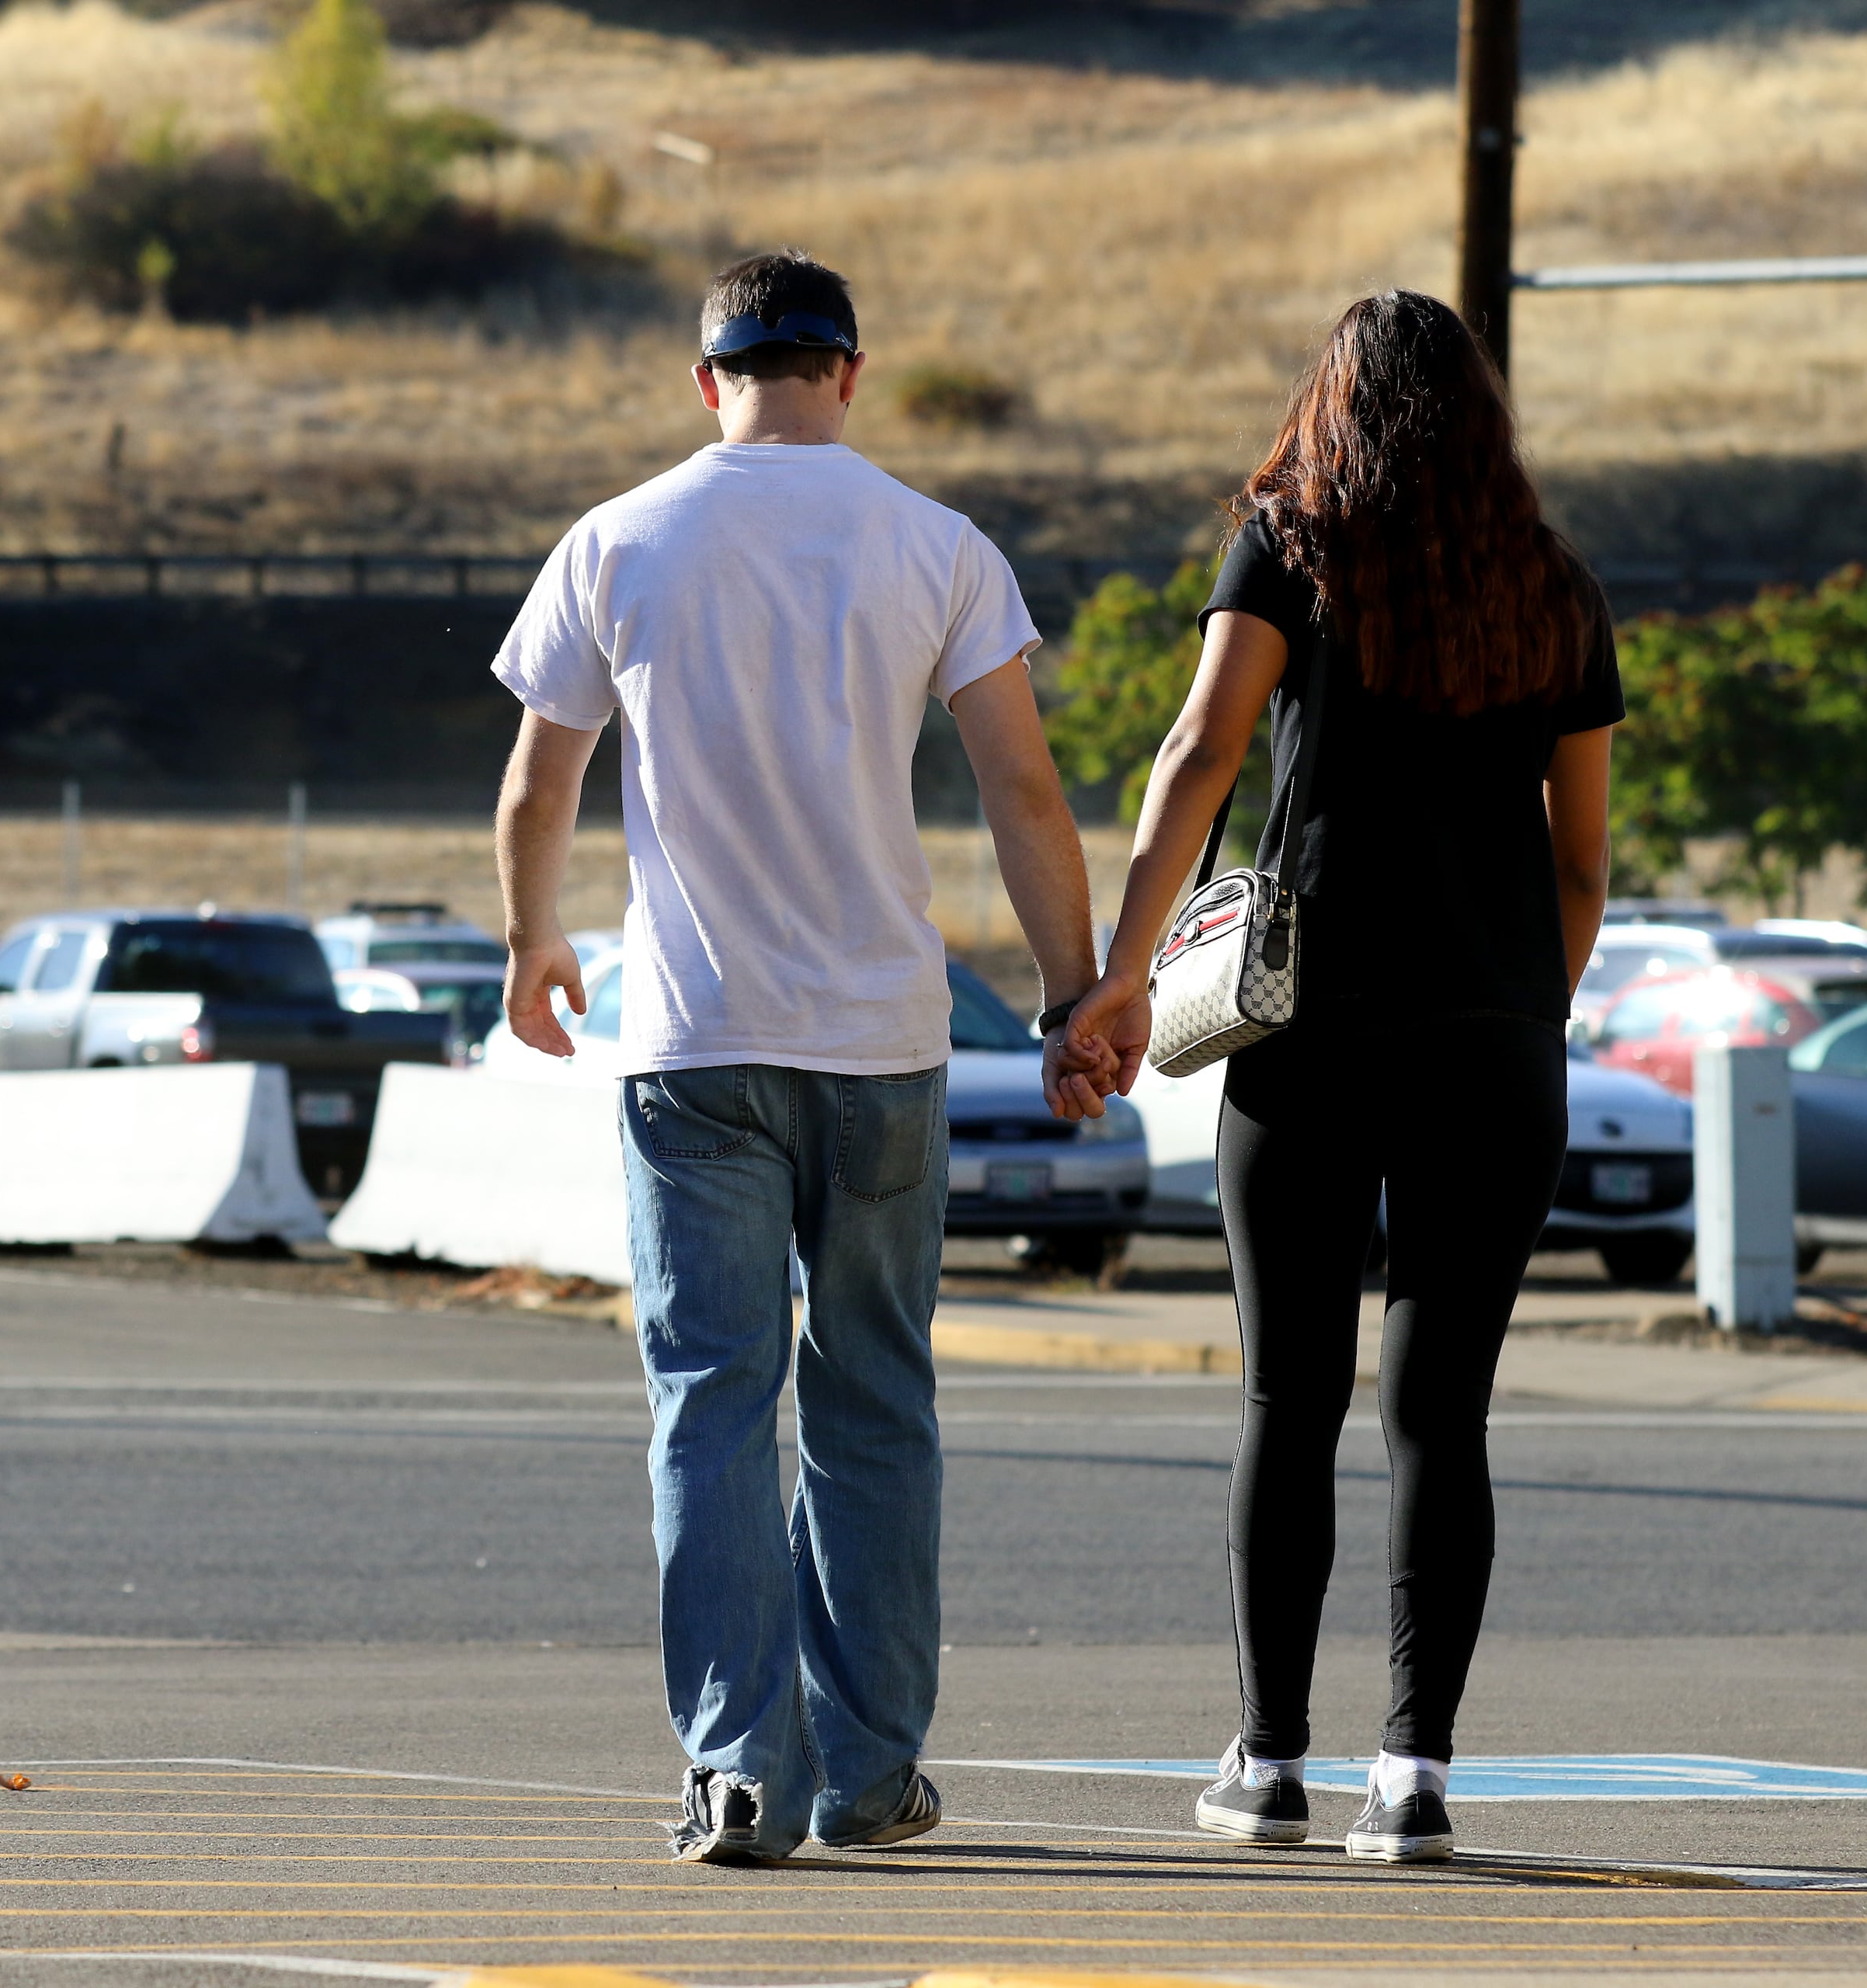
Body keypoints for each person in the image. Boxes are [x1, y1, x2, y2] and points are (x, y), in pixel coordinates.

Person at [492, 251, 1114, 1865]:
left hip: (691, 1043)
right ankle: (870, 1769)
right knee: (875, 1406)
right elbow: (1024, 797)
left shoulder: (616, 540)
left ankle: (737, 1770)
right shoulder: (937, 545)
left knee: (708, 1400)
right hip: (882, 1045)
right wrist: (1073, 994)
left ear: (707, 381)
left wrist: (530, 941)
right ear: (851, 372)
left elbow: (537, 787)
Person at [1062, 291, 1621, 1865]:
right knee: (1443, 1413)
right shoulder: (1555, 590)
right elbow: (1581, 867)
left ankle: (1266, 1763)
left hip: (1306, 1032)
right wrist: (1519, 1013)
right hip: (1495, 1044)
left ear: (1334, 404)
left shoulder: (1288, 547)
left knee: (1287, 1398)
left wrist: (1119, 970)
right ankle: (1418, 1775)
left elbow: (1199, 752)